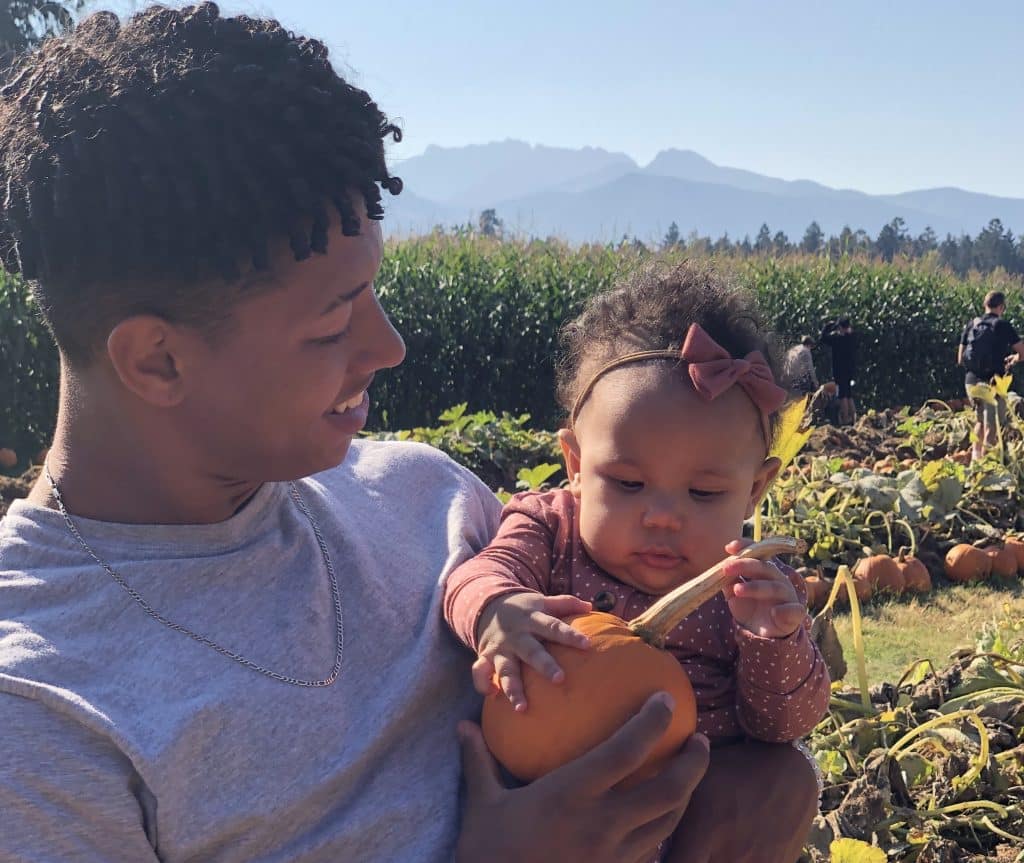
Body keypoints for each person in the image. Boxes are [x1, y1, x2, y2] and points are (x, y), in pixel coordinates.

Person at [0, 6, 720, 862]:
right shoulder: (38, 710)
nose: (389, 346)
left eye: (372, 292)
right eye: (333, 321)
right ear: (157, 360)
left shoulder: (436, 505)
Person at [444, 263, 830, 862]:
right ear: (575, 465)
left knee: (782, 779)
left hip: (686, 822)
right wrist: (497, 609)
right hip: (544, 808)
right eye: (628, 483)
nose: (663, 517)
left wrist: (774, 642)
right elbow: (479, 572)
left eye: (704, 493)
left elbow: (782, 726)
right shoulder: (550, 526)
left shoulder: (752, 589)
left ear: (755, 490)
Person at [958, 290, 1024, 462]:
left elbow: (960, 358)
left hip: (971, 382)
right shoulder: (1002, 325)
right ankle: (987, 466)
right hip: (993, 382)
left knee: (980, 421)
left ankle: (975, 461)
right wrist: (1014, 359)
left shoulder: (972, 324)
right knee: (992, 427)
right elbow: (1022, 352)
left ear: (984, 305)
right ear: (1001, 307)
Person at [819, 317, 858, 425]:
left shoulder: (837, 339)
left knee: (842, 395)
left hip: (839, 371)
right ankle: (854, 418)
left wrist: (828, 326)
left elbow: (823, 338)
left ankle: (845, 419)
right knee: (849, 394)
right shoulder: (852, 338)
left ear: (840, 327)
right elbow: (851, 332)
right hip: (849, 371)